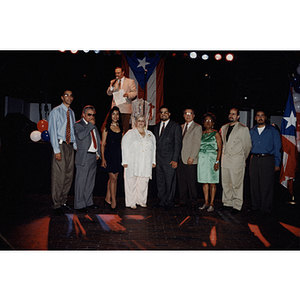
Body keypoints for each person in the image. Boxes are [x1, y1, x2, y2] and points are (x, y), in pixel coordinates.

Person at [48, 90, 77, 216]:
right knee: (58, 176)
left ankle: (64, 201)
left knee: (68, 175)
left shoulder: (71, 112)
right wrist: (56, 150)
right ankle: (56, 204)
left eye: (71, 95)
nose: (69, 97)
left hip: (70, 146)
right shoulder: (56, 111)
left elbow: (73, 130)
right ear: (61, 97)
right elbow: (52, 131)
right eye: (66, 95)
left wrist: (75, 145)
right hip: (60, 145)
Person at [220, 108, 252, 213]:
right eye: (230, 113)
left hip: (237, 161)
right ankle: (227, 202)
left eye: (233, 114)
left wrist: (242, 158)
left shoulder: (243, 129)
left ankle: (237, 205)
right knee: (225, 183)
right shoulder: (224, 127)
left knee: (236, 184)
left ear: (238, 116)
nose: (231, 115)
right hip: (225, 160)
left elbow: (247, 146)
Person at [249, 110, 281, 215]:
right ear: (255, 118)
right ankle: (255, 207)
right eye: (258, 116)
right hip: (255, 159)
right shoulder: (251, 131)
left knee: (266, 185)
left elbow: (277, 148)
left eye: (262, 115)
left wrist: (277, 163)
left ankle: (266, 209)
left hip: (268, 159)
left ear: (265, 117)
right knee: (255, 184)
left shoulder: (272, 130)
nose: (260, 117)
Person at [121, 115, 156, 209]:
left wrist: (153, 161)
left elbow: (154, 148)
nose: (141, 122)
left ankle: (141, 201)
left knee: (143, 182)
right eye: (139, 120)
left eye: (142, 121)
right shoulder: (130, 133)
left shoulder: (150, 134)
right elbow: (125, 147)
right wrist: (125, 161)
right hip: (133, 161)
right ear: (135, 122)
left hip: (146, 162)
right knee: (131, 182)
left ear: (145, 122)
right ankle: (131, 202)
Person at [153, 105, 182, 210]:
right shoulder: (156, 127)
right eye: (161, 112)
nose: (163, 114)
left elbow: (178, 144)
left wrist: (175, 159)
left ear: (169, 114)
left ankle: (169, 202)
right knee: (160, 181)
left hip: (170, 159)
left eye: (165, 112)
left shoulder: (175, 126)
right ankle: (161, 201)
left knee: (170, 181)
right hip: (158, 159)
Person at [74, 105, 101, 213]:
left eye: (93, 115)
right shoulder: (78, 124)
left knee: (90, 181)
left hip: (93, 156)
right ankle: (79, 205)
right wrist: (90, 125)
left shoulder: (92, 125)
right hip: (84, 157)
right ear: (83, 114)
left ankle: (88, 202)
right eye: (89, 115)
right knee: (81, 182)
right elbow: (81, 136)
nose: (92, 117)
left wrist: (97, 152)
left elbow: (97, 139)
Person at [176, 108, 202, 209]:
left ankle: (193, 201)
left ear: (194, 115)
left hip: (191, 159)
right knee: (181, 181)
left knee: (191, 182)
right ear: (183, 115)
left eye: (190, 114)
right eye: (186, 114)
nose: (188, 115)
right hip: (181, 158)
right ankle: (182, 201)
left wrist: (192, 157)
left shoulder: (197, 127)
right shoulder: (180, 127)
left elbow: (196, 143)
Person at [197, 112, 222, 212]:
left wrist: (217, 161)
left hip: (212, 158)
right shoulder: (201, 133)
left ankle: (212, 203)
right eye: (206, 120)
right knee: (204, 182)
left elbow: (220, 148)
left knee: (212, 182)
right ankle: (206, 202)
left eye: (210, 121)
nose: (208, 122)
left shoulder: (216, 133)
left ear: (213, 123)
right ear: (203, 122)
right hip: (202, 159)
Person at [101, 106, 123, 211]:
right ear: (110, 115)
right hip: (109, 154)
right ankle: (113, 201)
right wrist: (103, 159)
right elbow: (102, 144)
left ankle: (107, 198)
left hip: (118, 155)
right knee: (113, 179)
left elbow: (123, 143)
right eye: (113, 114)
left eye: (117, 114)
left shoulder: (121, 127)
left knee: (114, 178)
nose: (115, 116)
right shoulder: (106, 127)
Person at [107, 67, 137, 133]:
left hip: (125, 108)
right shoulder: (113, 81)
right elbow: (109, 93)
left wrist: (128, 94)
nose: (117, 75)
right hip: (115, 107)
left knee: (124, 128)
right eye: (116, 73)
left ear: (123, 73)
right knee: (114, 126)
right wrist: (111, 87)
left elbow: (134, 93)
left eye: (118, 73)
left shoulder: (130, 81)